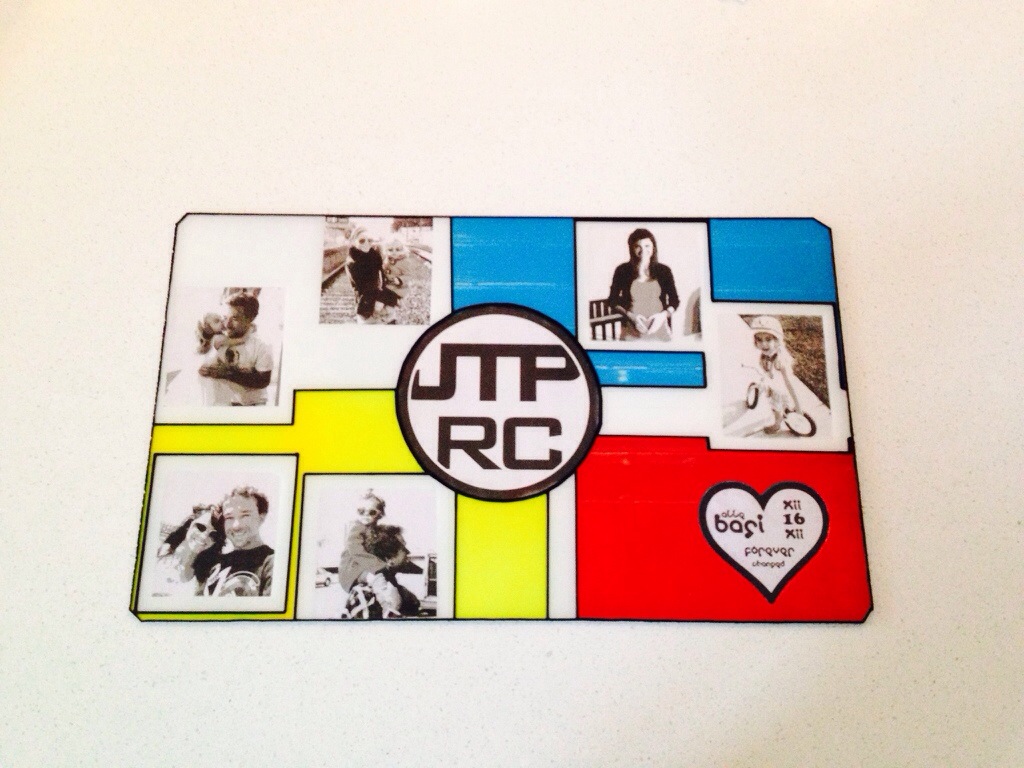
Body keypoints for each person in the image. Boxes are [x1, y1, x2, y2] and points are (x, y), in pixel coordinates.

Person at [338, 491, 420, 618]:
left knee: (386, 581)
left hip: (362, 567)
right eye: (361, 511)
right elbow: (355, 550)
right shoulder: (357, 527)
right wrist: (379, 565)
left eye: (372, 512)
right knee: (377, 578)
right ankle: (389, 608)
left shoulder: (374, 530)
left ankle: (402, 602)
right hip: (353, 569)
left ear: (380, 515)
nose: (365, 515)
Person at [198, 293, 273, 405]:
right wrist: (205, 369)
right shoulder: (221, 338)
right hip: (223, 405)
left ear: (250, 319)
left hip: (250, 406)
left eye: (234, 318)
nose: (227, 324)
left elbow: (263, 380)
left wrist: (227, 373)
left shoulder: (261, 345)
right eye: (225, 318)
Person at [607, 228, 680, 341]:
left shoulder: (664, 270)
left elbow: (674, 301)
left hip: (659, 329)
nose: (643, 250)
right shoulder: (622, 270)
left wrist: (662, 316)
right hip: (631, 331)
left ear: (653, 247)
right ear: (631, 248)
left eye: (647, 246)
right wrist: (631, 316)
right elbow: (612, 301)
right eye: (638, 246)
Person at [201, 486, 274, 596]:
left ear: (261, 517)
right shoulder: (214, 564)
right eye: (229, 517)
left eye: (245, 515)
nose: (236, 526)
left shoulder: (273, 564)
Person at [152, 504, 224, 597]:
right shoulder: (155, 555)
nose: (204, 536)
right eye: (201, 527)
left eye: (213, 535)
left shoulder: (202, 583)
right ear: (189, 525)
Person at [749, 315, 804, 434]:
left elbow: (789, 384)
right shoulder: (766, 355)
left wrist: (798, 405)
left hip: (780, 390)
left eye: (768, 339)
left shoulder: (780, 361)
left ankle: (777, 425)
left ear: (776, 340)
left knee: (776, 408)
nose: (763, 344)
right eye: (759, 339)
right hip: (773, 384)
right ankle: (786, 410)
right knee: (779, 402)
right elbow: (767, 371)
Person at [345, 227, 400, 324]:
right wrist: (384, 300)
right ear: (354, 241)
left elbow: (382, 279)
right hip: (368, 308)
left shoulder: (375, 256)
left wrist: (394, 282)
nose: (366, 243)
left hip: (383, 302)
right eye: (362, 240)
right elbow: (365, 289)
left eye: (369, 240)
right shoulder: (352, 262)